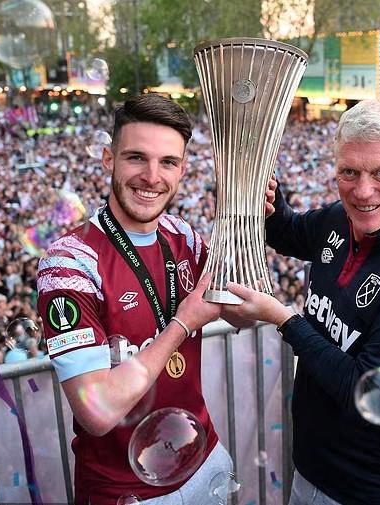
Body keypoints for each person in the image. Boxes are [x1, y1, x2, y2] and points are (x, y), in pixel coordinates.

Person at [223, 99, 380, 505]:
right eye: (349, 172)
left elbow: (365, 392)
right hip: (312, 466)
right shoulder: (340, 219)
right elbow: (289, 232)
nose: (363, 191)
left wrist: (283, 319)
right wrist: (271, 201)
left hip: (373, 489)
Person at [37, 94, 244, 504]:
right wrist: (182, 324)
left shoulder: (184, 236)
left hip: (204, 458)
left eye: (168, 162)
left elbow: (244, 315)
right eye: (136, 158)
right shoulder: (69, 261)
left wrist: (247, 220)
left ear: (182, 169)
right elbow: (96, 414)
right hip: (124, 489)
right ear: (108, 159)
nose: (152, 176)